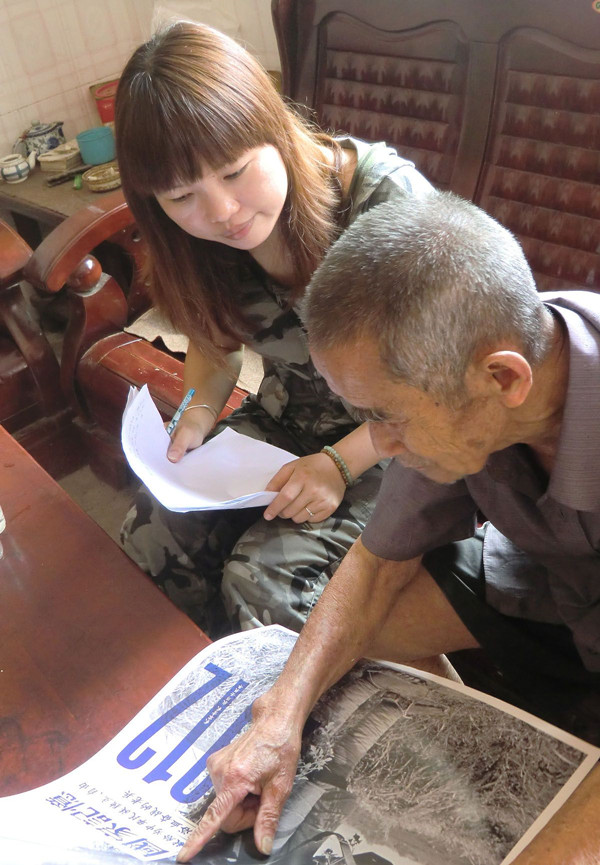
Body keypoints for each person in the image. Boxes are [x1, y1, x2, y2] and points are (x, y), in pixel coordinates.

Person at [176, 193, 600, 865]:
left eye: (387, 417)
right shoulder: (476, 374)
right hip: (549, 578)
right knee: (361, 637)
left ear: (502, 378)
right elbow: (376, 563)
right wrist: (280, 718)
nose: (380, 444)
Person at [114, 19, 434, 638]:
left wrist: (338, 465)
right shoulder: (194, 240)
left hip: (404, 444)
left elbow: (446, 390)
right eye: (181, 196)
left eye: (234, 171)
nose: (222, 212)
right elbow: (215, 347)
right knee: (153, 532)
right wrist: (197, 415)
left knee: (262, 584)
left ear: (274, 127)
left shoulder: (389, 208)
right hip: (290, 422)